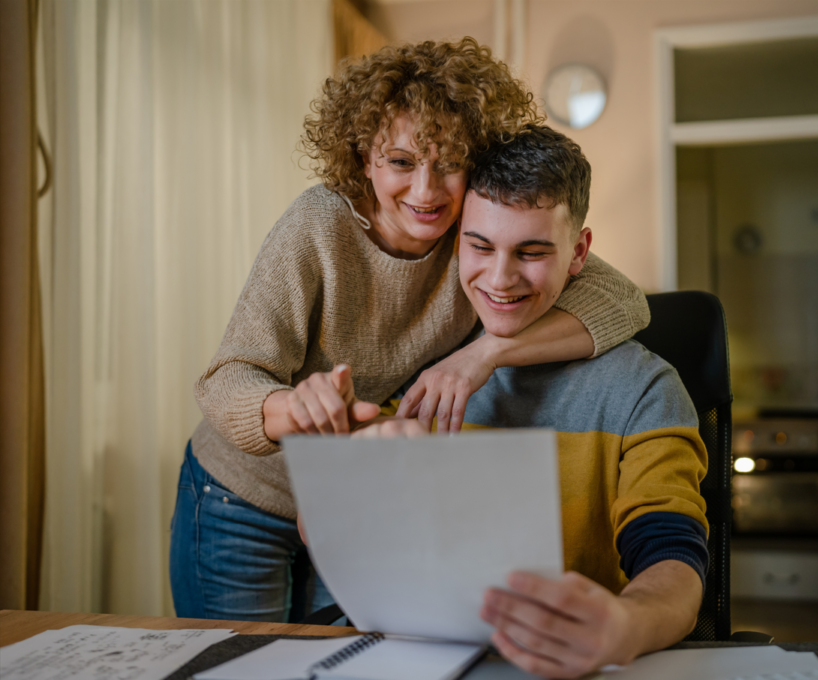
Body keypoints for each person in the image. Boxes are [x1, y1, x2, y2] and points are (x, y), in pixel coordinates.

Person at [169, 38, 650, 624]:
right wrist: (291, 406)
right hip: (243, 496)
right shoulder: (318, 226)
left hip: (360, 503)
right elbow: (226, 381)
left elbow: (623, 300)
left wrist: (483, 355)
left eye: (448, 164)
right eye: (400, 162)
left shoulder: (476, 235)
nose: (425, 192)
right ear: (361, 156)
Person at [352, 125, 708, 679]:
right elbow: (337, 535)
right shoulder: (428, 363)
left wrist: (625, 624)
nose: (500, 278)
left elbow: (674, 559)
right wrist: (360, 476)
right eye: (479, 245)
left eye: (533, 251)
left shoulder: (645, 389)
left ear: (579, 252)